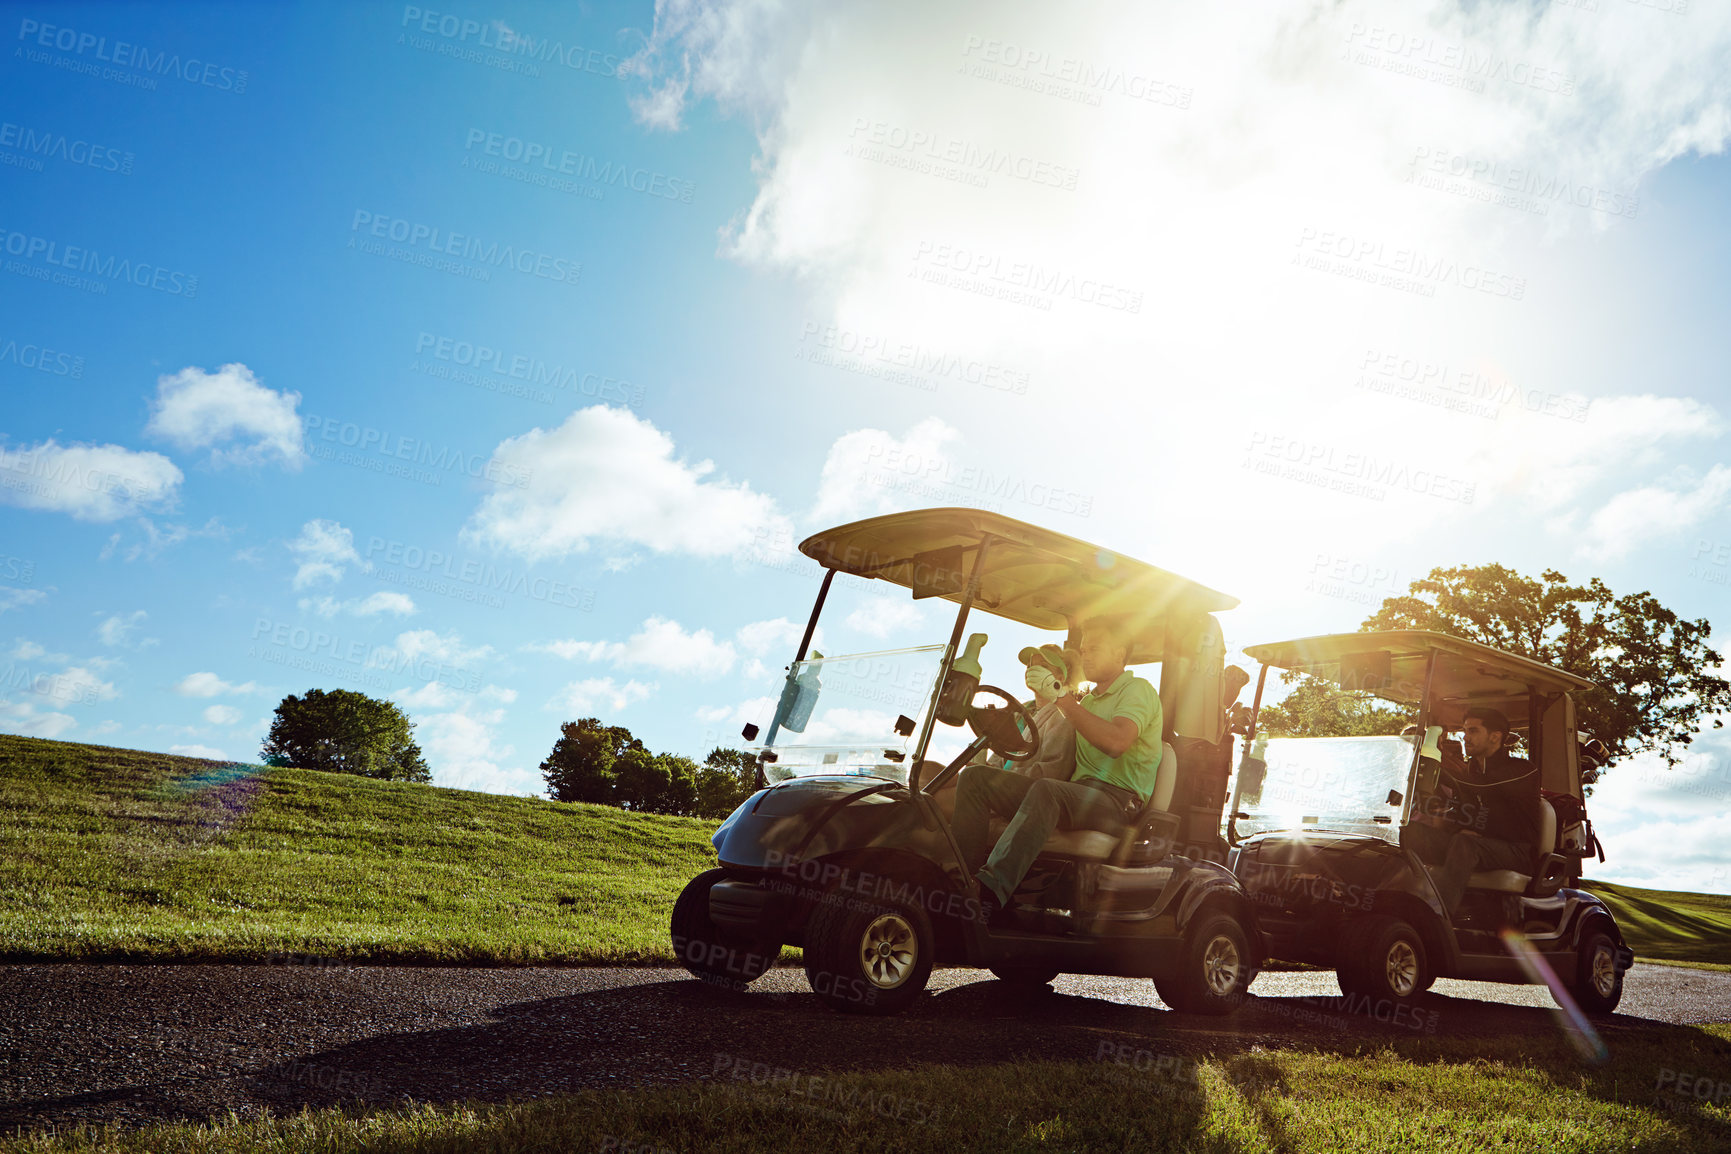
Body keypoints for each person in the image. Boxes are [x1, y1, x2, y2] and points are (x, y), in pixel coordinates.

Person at [952, 619, 1163, 911]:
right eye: (1084, 648)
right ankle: (960, 882)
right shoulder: (1087, 702)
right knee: (975, 779)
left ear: (1119, 653)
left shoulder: (1137, 689)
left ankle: (988, 890)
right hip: (1077, 796)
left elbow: (1116, 742)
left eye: (1095, 648)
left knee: (1047, 790)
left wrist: (1063, 699)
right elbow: (1051, 746)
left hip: (1116, 802)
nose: (1085, 655)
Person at [1400, 707, 1540, 917]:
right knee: (1408, 832)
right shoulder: (1471, 770)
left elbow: (1482, 787)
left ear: (1495, 736)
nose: (1465, 738)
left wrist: (1432, 764)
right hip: (1477, 846)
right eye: (1465, 731)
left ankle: (1436, 919)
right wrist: (1458, 827)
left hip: (1516, 852)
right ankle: (1395, 905)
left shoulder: (1522, 770)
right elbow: (1461, 808)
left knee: (1465, 844)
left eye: (1473, 731)